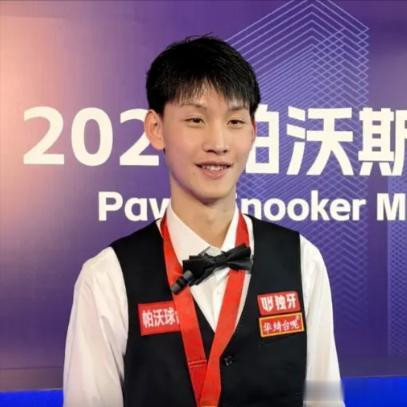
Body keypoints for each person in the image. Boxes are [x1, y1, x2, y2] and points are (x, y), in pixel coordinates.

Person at [63, 35, 344, 407]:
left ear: (253, 132)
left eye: (234, 121)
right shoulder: (107, 279)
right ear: (156, 128)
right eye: (196, 119)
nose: (218, 142)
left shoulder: (302, 260)